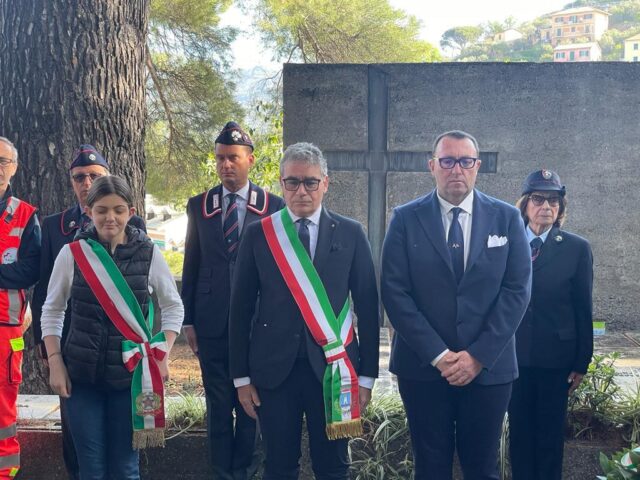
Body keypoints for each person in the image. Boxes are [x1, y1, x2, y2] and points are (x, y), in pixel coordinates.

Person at [381, 130, 531, 480]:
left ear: (477, 166)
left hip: (489, 370)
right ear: (432, 166)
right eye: (447, 161)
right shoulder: (405, 218)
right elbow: (394, 292)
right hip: (423, 369)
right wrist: (439, 355)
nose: (456, 169)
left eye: (465, 161)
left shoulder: (507, 218)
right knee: (430, 467)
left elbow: (517, 290)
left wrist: (477, 356)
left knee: (483, 468)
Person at [229, 142, 380, 480]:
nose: (302, 191)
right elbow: (239, 311)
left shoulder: (352, 233)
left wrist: (367, 376)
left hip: (333, 369)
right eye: (292, 182)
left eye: (310, 182)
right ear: (281, 184)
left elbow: (369, 309)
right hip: (272, 372)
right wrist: (241, 378)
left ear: (325, 183)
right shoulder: (259, 235)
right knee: (280, 466)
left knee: (333, 465)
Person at [41, 176, 183, 479]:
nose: (110, 217)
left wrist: (163, 353)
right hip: (82, 380)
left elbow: (173, 306)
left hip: (130, 380)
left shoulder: (149, 254)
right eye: (102, 209)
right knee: (90, 469)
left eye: (118, 210)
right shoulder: (73, 254)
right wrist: (55, 362)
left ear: (130, 211)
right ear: (89, 210)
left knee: (125, 467)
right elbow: (52, 310)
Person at [31, 144, 145, 480]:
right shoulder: (55, 226)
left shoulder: (132, 223)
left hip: (122, 350)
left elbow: (140, 290)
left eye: (93, 176)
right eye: (79, 177)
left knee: (124, 450)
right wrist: (47, 349)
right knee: (78, 442)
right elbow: (45, 293)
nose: (85, 182)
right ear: (72, 182)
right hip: (73, 350)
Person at [181, 121, 284, 479]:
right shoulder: (199, 205)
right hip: (211, 323)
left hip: (258, 324)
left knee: (252, 403)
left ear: (250, 160)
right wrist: (188, 320)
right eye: (221, 158)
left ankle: (246, 469)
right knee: (219, 403)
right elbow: (192, 262)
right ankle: (221, 472)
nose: (226, 165)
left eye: (234, 158)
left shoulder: (274, 206)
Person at [508, 169, 593, 480]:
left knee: (549, 437)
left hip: (556, 360)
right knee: (519, 434)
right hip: (514, 357)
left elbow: (583, 307)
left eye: (554, 200)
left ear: (561, 208)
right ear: (525, 204)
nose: (546, 206)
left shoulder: (576, 248)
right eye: (538, 198)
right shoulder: (507, 243)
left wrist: (582, 361)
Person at [0, 137, 41, 479]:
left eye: (3, 161)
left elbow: (31, 269)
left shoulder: (26, 216)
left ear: (14, 168)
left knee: (3, 408)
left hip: (6, 327)